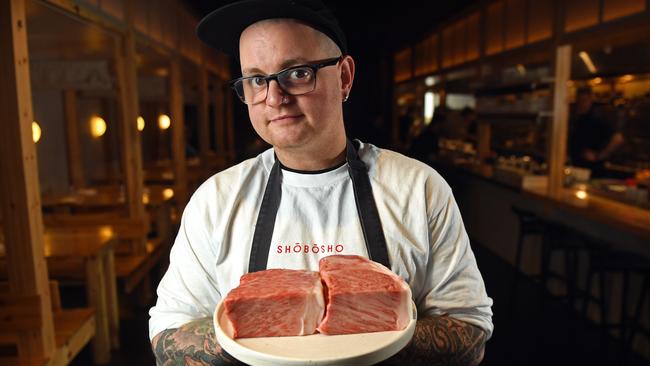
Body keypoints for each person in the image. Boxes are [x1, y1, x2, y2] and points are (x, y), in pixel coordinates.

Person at [149, 1, 493, 365]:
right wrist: (257, 331)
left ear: (344, 77)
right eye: (255, 80)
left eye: (297, 73)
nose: (274, 97)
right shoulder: (215, 201)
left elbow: (469, 333)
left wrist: (363, 330)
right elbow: (167, 337)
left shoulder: (419, 189)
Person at [568, 86, 624, 177]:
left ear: (590, 100)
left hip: (592, 170)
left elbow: (618, 138)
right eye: (579, 100)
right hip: (576, 167)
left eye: (584, 100)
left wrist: (599, 156)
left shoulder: (597, 118)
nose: (581, 104)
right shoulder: (576, 118)